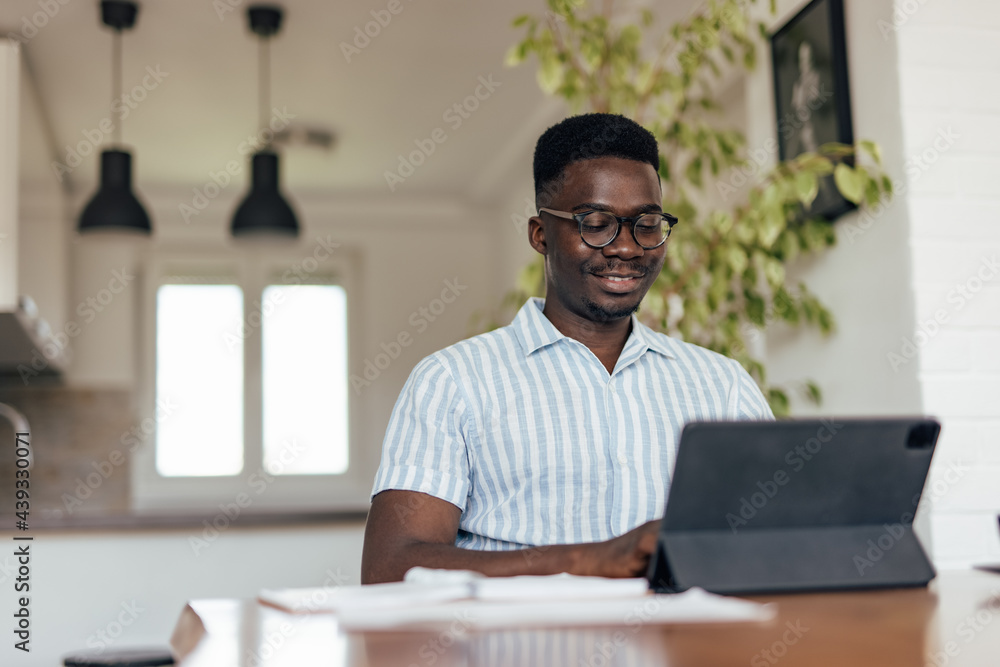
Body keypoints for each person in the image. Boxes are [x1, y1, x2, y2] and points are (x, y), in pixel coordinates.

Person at [362, 113, 773, 584]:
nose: (627, 248)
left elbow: (779, 541)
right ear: (541, 235)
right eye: (596, 224)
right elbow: (389, 568)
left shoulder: (722, 386)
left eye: (647, 223)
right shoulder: (452, 382)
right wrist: (584, 560)